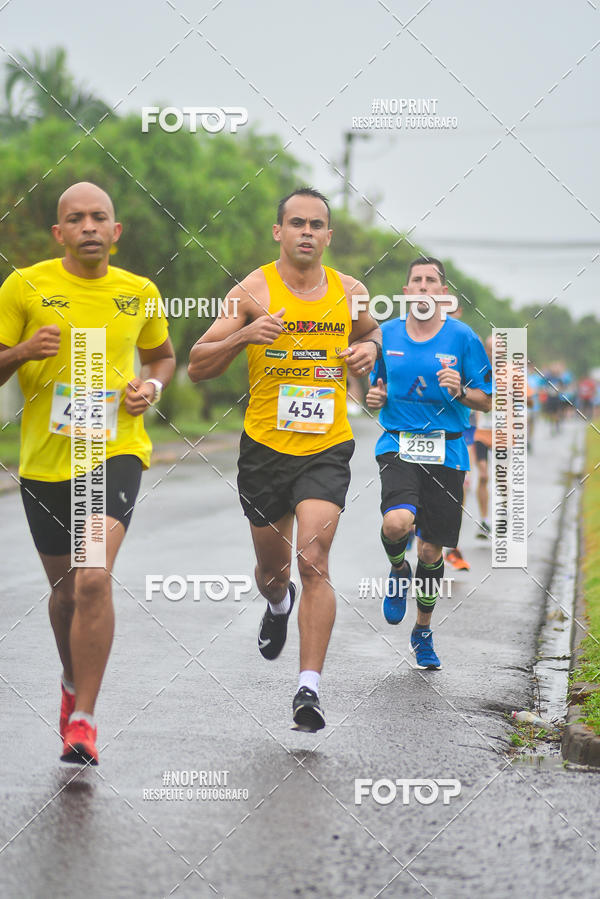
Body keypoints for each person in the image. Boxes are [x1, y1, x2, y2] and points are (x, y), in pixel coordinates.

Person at [188, 187, 380, 731]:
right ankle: (277, 603)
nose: (306, 232)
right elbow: (198, 364)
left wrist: (370, 349)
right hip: (265, 449)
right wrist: (246, 335)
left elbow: (372, 333)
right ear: (279, 231)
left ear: (329, 235)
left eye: (316, 225)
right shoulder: (252, 290)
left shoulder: (350, 291)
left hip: (326, 445)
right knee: (274, 573)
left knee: (314, 560)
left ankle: (308, 689)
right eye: (297, 223)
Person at [0, 182, 175, 764]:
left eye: (99, 217)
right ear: (59, 233)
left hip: (113, 452)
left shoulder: (140, 292)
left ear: (116, 230)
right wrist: (22, 352)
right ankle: (71, 682)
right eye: (76, 219)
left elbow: (162, 357)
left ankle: (85, 720)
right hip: (45, 463)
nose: (89, 227)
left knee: (93, 577)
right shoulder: (23, 287)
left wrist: (151, 388)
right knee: (64, 594)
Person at [366, 257, 492, 669]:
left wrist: (461, 392)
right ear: (406, 292)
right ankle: (397, 569)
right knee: (396, 523)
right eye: (416, 280)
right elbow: (374, 386)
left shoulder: (463, 338)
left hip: (448, 450)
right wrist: (374, 397)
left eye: (431, 280)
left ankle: (422, 630)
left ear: (443, 293)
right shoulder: (385, 334)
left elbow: (488, 400)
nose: (423, 286)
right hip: (398, 444)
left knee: (431, 550)